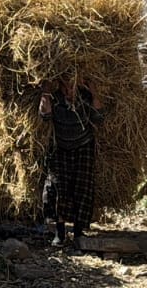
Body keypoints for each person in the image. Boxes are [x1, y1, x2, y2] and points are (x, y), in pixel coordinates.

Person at [39, 77, 104, 250]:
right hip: (60, 147)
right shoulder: (54, 98)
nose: (69, 90)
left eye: (72, 85)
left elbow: (98, 117)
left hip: (84, 146)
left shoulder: (85, 97)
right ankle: (59, 232)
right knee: (57, 187)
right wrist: (45, 92)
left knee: (83, 188)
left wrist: (94, 93)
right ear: (60, 85)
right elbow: (45, 116)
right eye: (65, 86)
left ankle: (78, 231)